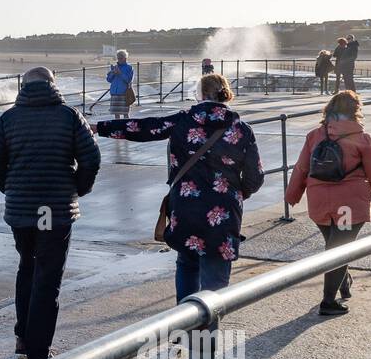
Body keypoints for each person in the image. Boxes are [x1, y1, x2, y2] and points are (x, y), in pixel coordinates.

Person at [95, 73, 264, 302]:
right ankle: (209, 334)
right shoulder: (242, 129)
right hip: (223, 216)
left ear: (200, 94)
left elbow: (143, 128)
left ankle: (186, 330)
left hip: (186, 210)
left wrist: (99, 127)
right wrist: (235, 193)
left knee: (187, 265)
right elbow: (255, 178)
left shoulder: (182, 121)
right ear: (225, 95)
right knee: (215, 286)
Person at [0, 66, 101, 359]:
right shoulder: (69, 116)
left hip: (22, 211)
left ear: (23, 87)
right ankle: (39, 351)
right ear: (53, 85)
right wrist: (78, 188)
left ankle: (24, 338)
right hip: (54, 209)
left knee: (28, 267)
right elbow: (91, 158)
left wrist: (10, 188)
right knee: (47, 277)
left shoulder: (9, 118)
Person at [285, 91, 371, 316]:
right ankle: (328, 302)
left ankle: (343, 281)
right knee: (339, 249)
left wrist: (292, 196)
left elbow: (301, 168)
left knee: (334, 245)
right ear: (355, 111)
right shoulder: (362, 139)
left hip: (318, 201)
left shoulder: (315, 135)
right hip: (348, 204)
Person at [105, 50, 135, 118]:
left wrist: (120, 73)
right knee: (116, 114)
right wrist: (113, 73)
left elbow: (129, 80)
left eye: (121, 58)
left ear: (125, 58)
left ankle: (127, 126)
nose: (119, 59)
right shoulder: (115, 67)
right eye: (118, 58)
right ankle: (117, 127)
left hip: (124, 94)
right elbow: (108, 80)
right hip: (114, 93)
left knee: (125, 113)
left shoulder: (129, 68)